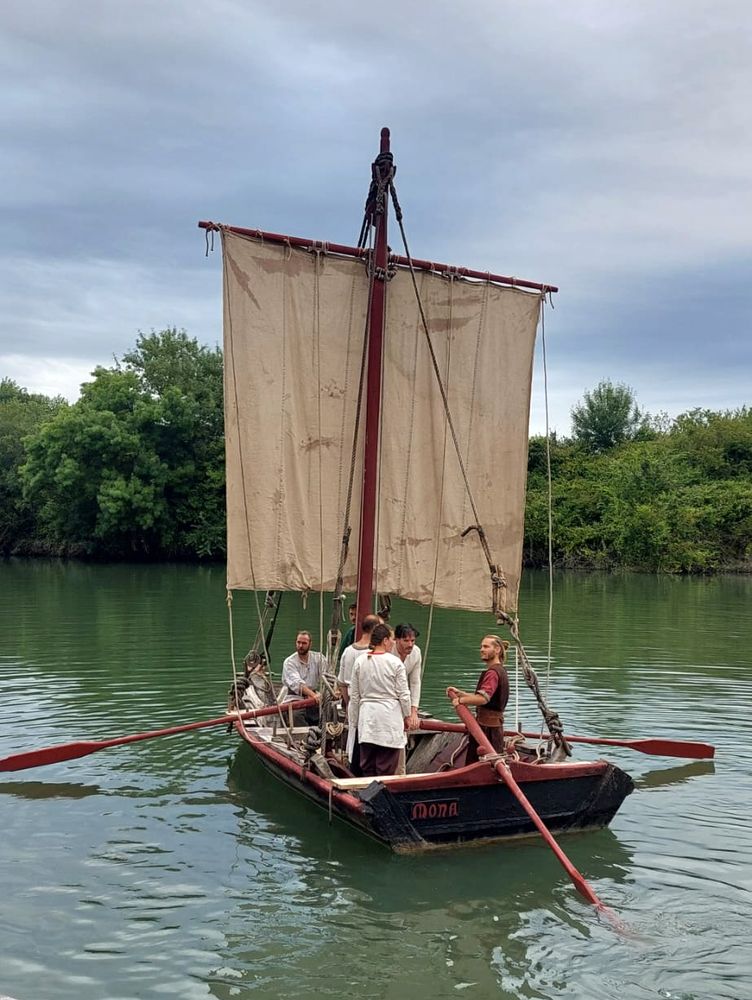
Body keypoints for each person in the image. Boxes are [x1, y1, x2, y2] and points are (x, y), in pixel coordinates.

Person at [348, 623, 412, 777]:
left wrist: (355, 721)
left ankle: (367, 794)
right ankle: (381, 796)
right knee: (386, 767)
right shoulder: (395, 663)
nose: (393, 643)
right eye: (391, 639)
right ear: (384, 640)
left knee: (368, 766)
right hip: (389, 719)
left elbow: (354, 696)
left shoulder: (360, 661)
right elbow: (404, 695)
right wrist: (407, 716)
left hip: (367, 718)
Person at [446, 634, 510, 765]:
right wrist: (462, 694)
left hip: (487, 731)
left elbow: (483, 699)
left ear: (497, 649)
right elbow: (487, 698)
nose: (481, 649)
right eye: (481, 646)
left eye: (486, 646)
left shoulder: (492, 673)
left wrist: (461, 701)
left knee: (480, 765)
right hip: (492, 728)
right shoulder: (500, 670)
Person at [281, 631, 325, 724]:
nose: (300, 646)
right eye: (298, 642)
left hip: (314, 699)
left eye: (304, 643)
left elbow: (328, 677)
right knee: (296, 715)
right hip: (295, 698)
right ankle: (304, 736)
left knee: (329, 712)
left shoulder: (319, 659)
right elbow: (297, 683)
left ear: (310, 644)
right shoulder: (289, 662)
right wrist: (313, 695)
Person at [337, 613, 380, 709]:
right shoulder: (374, 653)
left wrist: (349, 704)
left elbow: (342, 682)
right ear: (376, 629)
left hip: (352, 701)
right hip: (370, 704)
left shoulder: (347, 651)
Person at [393, 623, 422, 731]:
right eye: (406, 641)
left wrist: (413, 711)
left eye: (413, 641)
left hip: (404, 696)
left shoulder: (416, 652)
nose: (410, 644)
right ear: (396, 640)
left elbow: (415, 682)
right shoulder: (388, 651)